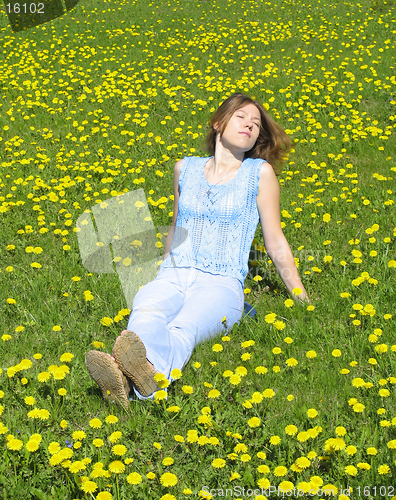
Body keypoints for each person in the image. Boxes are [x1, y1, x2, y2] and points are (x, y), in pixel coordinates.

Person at [86, 92, 310, 408]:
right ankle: (135, 378)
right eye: (241, 117)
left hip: (222, 283)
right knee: (146, 307)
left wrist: (300, 295)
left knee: (184, 326)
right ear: (218, 122)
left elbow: (275, 240)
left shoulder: (259, 174)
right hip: (175, 273)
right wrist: (162, 276)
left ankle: (136, 383)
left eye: (256, 123)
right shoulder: (185, 169)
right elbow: (176, 230)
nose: (249, 125)